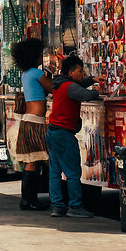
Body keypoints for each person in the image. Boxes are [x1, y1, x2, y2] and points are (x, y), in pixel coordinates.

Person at [46, 54, 102, 218]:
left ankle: (57, 206)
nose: (82, 74)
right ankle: (75, 206)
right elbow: (85, 94)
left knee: (55, 173)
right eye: (80, 71)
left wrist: (92, 79)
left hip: (53, 132)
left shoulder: (60, 83)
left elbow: (79, 85)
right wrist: (96, 91)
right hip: (64, 134)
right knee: (72, 172)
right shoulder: (69, 86)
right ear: (71, 73)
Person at [10, 37, 52, 211]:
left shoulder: (26, 74)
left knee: (31, 161)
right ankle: (29, 200)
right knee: (36, 161)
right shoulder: (36, 73)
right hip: (36, 122)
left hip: (28, 121)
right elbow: (52, 88)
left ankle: (28, 199)